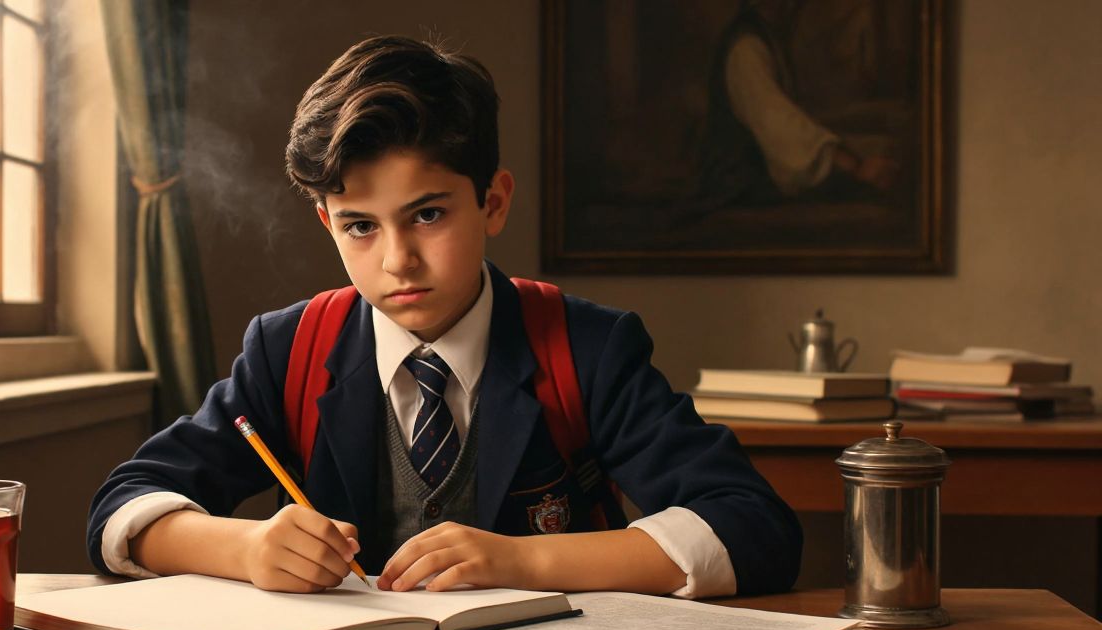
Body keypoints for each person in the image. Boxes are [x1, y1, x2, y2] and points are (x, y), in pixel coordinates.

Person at [87, 35, 801, 598]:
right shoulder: (288, 349)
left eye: (427, 215)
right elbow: (122, 505)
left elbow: (756, 527)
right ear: (327, 224)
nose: (397, 260)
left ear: (494, 202)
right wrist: (244, 548)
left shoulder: (587, 347)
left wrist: (526, 561)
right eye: (360, 226)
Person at [698, 0, 899, 209]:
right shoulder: (746, 48)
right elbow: (781, 130)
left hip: (763, 182)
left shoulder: (769, 39)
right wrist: (855, 167)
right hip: (738, 190)